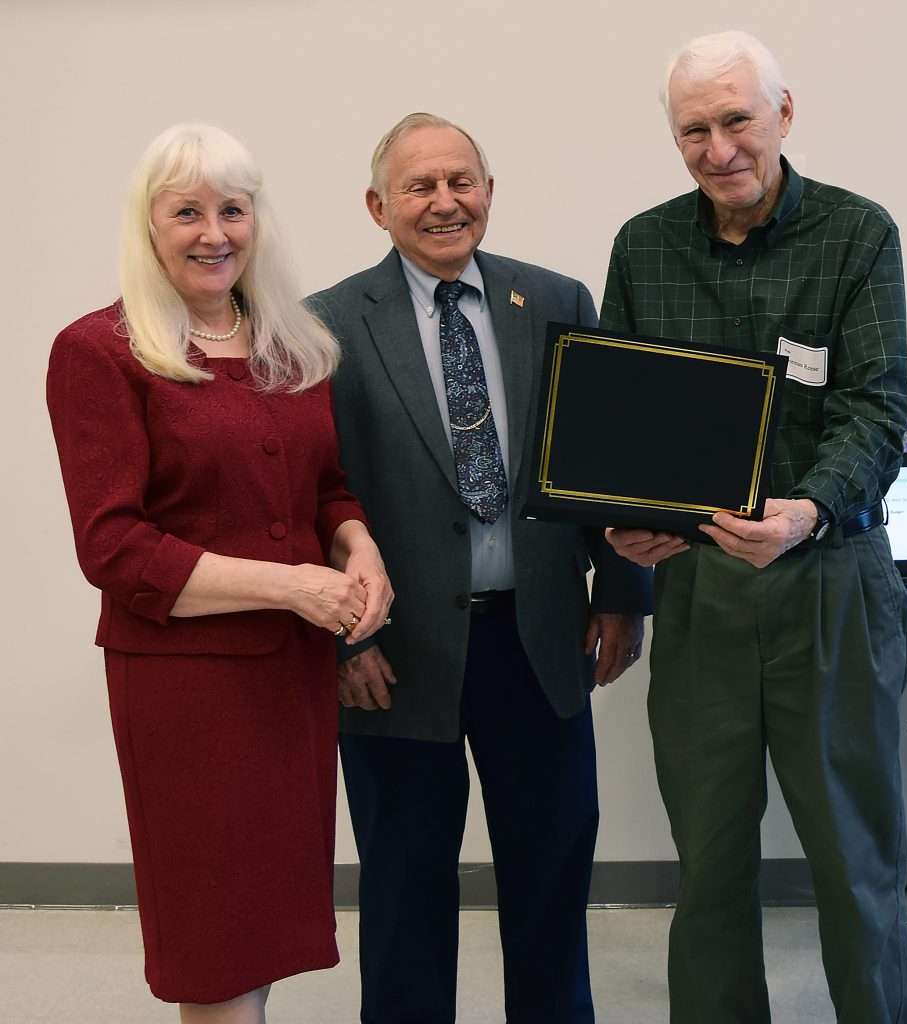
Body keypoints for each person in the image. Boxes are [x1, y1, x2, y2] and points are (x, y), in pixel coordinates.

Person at [306, 112, 652, 1024]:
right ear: (378, 206)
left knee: (550, 875)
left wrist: (623, 595)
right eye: (419, 186)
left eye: (462, 180)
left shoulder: (558, 300)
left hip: (538, 640)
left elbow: (612, 460)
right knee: (405, 889)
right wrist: (347, 641)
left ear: (490, 194)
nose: (444, 201)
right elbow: (313, 496)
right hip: (397, 654)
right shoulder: (326, 327)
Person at [47, 123, 393, 1024]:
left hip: (290, 681)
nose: (214, 232)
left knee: (263, 930)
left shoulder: (291, 345)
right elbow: (114, 548)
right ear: (147, 226)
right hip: (186, 694)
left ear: (256, 220)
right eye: (187, 212)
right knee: (213, 944)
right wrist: (293, 586)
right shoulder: (99, 351)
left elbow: (325, 487)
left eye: (232, 210)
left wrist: (357, 545)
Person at [602, 31, 907, 1024]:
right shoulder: (644, 245)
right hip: (701, 594)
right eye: (693, 129)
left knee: (856, 868)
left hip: (830, 584)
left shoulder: (859, 234)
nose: (717, 147)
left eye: (736, 119)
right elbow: (619, 418)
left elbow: (875, 409)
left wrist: (809, 508)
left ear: (785, 112)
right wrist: (625, 521)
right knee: (711, 872)